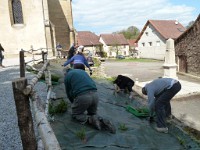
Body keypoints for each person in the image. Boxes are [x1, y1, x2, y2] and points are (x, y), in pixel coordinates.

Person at [64, 67, 116, 133]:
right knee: (92, 113)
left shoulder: (67, 76)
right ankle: (101, 121)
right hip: (95, 94)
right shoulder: (81, 71)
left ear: (65, 73)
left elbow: (68, 92)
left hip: (83, 96)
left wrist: (73, 103)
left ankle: (90, 119)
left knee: (76, 114)